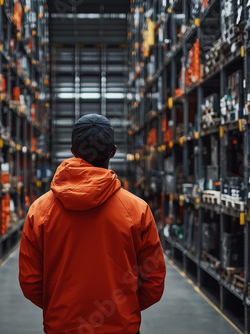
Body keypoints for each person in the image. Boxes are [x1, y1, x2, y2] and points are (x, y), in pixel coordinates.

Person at [19, 114, 166, 334]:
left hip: (62, 327)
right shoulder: (138, 210)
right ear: (113, 152)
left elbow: (30, 282)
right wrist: (124, 308)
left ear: (73, 151)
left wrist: (61, 308)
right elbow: (153, 281)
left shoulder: (40, 211)